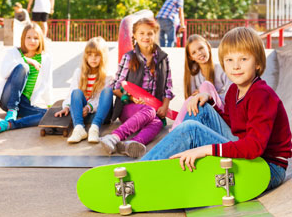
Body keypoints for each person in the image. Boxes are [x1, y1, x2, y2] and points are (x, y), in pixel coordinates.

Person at [141, 27, 292, 191]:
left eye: (243, 59)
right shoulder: (234, 91)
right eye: (229, 60)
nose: (236, 66)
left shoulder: (261, 95)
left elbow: (254, 146)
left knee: (190, 130)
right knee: (201, 108)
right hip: (251, 157)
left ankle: (142, 173)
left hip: (266, 168)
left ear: (257, 63)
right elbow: (232, 124)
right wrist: (210, 101)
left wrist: (206, 150)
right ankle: (160, 168)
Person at [100, 18, 174, 158]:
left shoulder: (164, 59)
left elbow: (168, 87)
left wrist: (165, 106)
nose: (146, 37)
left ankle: (132, 144)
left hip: (153, 109)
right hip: (128, 108)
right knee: (149, 111)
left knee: (157, 123)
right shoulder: (128, 57)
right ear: (134, 35)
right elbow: (115, 86)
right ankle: (114, 137)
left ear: (155, 34)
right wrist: (131, 97)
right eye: (142, 33)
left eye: (150, 33)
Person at [0, 23, 52, 134]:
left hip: (24, 102)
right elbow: (3, 72)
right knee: (23, 68)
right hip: (8, 98)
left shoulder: (45, 58)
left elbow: (47, 83)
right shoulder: (14, 52)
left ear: (40, 40)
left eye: (35, 38)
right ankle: (12, 110)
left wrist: (50, 105)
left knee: (47, 115)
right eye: (28, 37)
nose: (32, 41)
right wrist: (25, 60)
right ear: (23, 38)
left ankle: (9, 125)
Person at [55, 37, 113, 144]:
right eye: (90, 55)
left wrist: (88, 107)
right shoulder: (79, 72)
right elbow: (71, 94)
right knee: (76, 92)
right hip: (83, 115)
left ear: (103, 56)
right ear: (85, 56)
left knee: (108, 91)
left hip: (99, 115)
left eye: (97, 55)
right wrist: (67, 107)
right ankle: (79, 128)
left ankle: (94, 129)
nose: (93, 58)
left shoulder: (107, 76)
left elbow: (100, 99)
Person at [171, 34, 231, 130]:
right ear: (191, 57)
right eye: (194, 52)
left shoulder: (222, 69)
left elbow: (231, 96)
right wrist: (198, 96)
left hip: (222, 111)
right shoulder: (193, 75)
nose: (199, 53)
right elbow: (191, 100)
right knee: (193, 97)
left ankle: (176, 128)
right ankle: (178, 129)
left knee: (206, 85)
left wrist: (209, 94)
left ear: (208, 47)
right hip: (205, 110)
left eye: (201, 48)